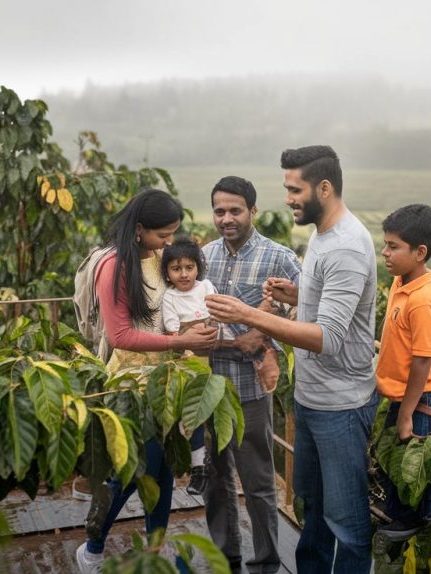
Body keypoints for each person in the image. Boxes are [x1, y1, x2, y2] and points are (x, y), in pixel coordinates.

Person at [205, 147, 378, 573]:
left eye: (294, 189)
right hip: (312, 398)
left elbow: (330, 338)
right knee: (312, 512)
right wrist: (299, 296)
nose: (288, 198)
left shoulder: (347, 247)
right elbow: (327, 309)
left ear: (324, 188)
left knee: (346, 523)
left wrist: (250, 315)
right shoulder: (321, 235)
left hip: (341, 405)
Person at [76, 188, 218, 574]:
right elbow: (120, 335)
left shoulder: (157, 258)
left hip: (166, 380)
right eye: (162, 234)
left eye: (173, 233)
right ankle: (92, 547)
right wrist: (181, 340)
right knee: (136, 472)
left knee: (163, 472)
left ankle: (153, 553)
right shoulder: (115, 266)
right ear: (139, 230)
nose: (168, 242)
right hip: (133, 386)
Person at [201, 175, 300, 574]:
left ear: (253, 212)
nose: (227, 218)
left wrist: (261, 333)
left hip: (250, 387)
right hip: (206, 386)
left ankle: (267, 562)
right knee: (212, 477)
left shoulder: (277, 257)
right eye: (220, 211)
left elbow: (304, 305)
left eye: (235, 210)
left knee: (258, 480)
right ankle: (226, 558)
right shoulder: (203, 255)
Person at [373, 204, 431, 542]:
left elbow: (422, 360)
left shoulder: (422, 299)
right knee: (397, 465)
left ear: (420, 252)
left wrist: (407, 413)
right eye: (385, 243)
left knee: (418, 469)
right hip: (405, 395)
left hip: (424, 399)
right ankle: (397, 514)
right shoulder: (400, 281)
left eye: (393, 246)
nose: (385, 252)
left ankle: (419, 519)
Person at [158, 236, 218, 496]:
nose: (184, 274)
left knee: (201, 415)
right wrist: (190, 339)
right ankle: (183, 469)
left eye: (189, 267)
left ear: (198, 268)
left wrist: (203, 331)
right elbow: (173, 334)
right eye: (176, 268)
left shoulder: (205, 287)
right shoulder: (169, 297)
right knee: (186, 418)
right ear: (167, 273)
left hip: (210, 359)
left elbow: (217, 318)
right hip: (184, 360)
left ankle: (200, 469)